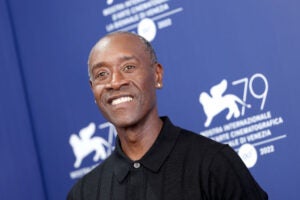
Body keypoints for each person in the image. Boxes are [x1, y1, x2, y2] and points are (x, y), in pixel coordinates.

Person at [67, 31, 268, 200]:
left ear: (157, 75)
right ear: (94, 90)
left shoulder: (213, 164)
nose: (115, 82)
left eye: (128, 67)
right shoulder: (84, 193)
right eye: (102, 74)